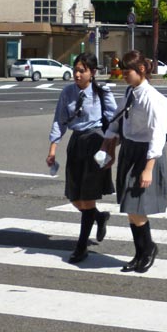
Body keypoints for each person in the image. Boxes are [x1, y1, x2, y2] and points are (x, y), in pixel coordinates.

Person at [98, 50, 167, 273]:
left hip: (146, 153)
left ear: (140, 70)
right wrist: (108, 143)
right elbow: (118, 120)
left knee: (136, 204)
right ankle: (142, 251)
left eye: (126, 71)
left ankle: (146, 250)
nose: (123, 76)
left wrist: (149, 168)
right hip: (130, 149)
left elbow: (158, 135)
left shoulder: (154, 98)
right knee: (130, 206)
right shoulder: (130, 92)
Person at [46, 52, 117, 264]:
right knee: (75, 196)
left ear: (92, 73)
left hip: (96, 143)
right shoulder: (67, 92)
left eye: (82, 71)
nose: (77, 74)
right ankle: (99, 216)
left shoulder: (102, 91)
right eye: (75, 70)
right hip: (76, 142)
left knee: (87, 196)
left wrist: (110, 149)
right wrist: (52, 149)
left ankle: (81, 246)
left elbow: (114, 121)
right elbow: (59, 120)